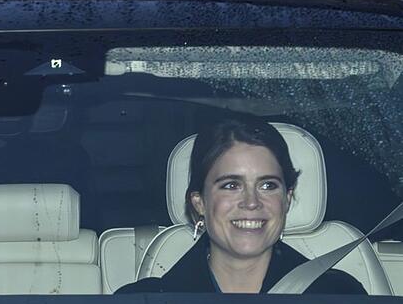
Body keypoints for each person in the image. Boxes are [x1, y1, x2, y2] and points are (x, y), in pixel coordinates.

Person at [116, 116, 365, 295]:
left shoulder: (338, 297)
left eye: (267, 185)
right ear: (199, 202)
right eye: (231, 185)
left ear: (287, 199)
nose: (251, 202)